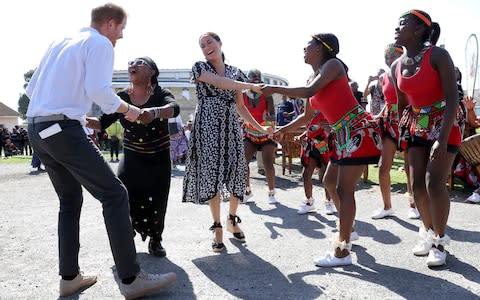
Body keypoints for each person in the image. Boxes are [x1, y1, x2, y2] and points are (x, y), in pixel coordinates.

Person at [25, 3, 176, 298]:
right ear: (109, 24)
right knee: (115, 194)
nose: (120, 37)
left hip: (36, 128)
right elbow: (99, 90)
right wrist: (129, 109)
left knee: (69, 201)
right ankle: (132, 279)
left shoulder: (59, 42)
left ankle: (69, 277)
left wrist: (75, 107)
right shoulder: (100, 43)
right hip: (62, 129)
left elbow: (32, 91)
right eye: (120, 30)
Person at [262, 33, 382, 267]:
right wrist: (282, 129)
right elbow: (307, 116)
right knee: (329, 182)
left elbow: (309, 92)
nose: (303, 50)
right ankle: (350, 229)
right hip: (342, 134)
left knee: (343, 189)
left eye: (307, 46)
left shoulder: (333, 66)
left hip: (356, 130)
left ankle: (342, 250)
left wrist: (273, 89)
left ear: (321, 48)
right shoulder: (313, 78)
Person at [182, 32, 270, 252]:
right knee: (212, 173)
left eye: (209, 42)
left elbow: (240, 107)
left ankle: (232, 219)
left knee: (236, 171)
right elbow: (220, 83)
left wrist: (259, 128)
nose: (206, 47)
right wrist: (248, 86)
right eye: (202, 45)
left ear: (220, 43)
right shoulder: (199, 67)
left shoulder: (236, 73)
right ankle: (217, 227)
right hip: (208, 126)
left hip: (231, 126)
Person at [87, 56, 179, 258]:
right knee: (125, 193)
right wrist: (78, 118)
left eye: (140, 63)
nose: (132, 65)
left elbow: (174, 108)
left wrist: (153, 113)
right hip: (132, 156)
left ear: (152, 72)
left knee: (158, 199)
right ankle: (129, 230)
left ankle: (156, 240)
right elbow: (102, 122)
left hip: (158, 157)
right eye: (131, 63)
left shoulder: (161, 93)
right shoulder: (122, 97)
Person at [391, 9, 462, 267]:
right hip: (416, 126)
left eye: (403, 24)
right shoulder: (396, 66)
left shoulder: (438, 55)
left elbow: (453, 97)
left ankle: (441, 241)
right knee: (417, 186)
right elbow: (401, 103)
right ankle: (429, 232)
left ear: (419, 29)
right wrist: (401, 133)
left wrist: (441, 140)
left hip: (445, 123)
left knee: (434, 184)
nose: (397, 28)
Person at [371, 43, 418, 220]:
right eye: (387, 57)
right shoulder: (382, 78)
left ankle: (414, 204)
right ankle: (387, 206)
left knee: (409, 167)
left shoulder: (407, 73)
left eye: (393, 57)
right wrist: (378, 115)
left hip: (407, 121)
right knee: (383, 167)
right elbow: (389, 102)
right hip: (390, 122)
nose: (389, 60)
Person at [242, 69, 278, 204]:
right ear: (248, 81)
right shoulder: (242, 95)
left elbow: (273, 115)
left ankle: (271, 192)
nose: (256, 81)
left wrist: (268, 119)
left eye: (258, 79)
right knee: (243, 162)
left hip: (265, 133)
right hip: (250, 133)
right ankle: (247, 190)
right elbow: (238, 111)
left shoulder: (267, 95)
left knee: (268, 163)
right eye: (253, 79)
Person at [295, 110, 337, 215]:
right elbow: (310, 128)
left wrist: (328, 129)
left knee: (325, 174)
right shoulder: (309, 109)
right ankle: (309, 203)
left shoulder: (326, 106)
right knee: (306, 174)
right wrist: (302, 135)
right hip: (311, 144)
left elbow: (334, 128)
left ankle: (329, 202)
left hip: (324, 144)